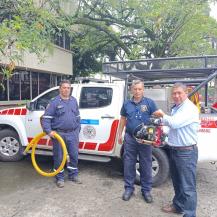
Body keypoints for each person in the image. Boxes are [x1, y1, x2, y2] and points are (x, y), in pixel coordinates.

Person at [154, 83, 199, 217]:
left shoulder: (189, 108)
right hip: (175, 149)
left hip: (186, 152)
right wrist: (160, 128)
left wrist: (162, 114)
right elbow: (171, 126)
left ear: (186, 93)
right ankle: (178, 206)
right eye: (174, 93)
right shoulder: (177, 108)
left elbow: (175, 123)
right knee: (178, 182)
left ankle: (190, 214)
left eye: (179, 93)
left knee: (188, 187)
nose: (176, 96)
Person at [117, 80, 159, 203]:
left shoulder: (149, 103)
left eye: (140, 89)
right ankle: (129, 189)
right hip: (130, 138)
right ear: (131, 90)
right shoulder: (126, 104)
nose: (137, 91)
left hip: (145, 139)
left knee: (146, 164)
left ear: (143, 90)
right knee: (129, 163)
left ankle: (146, 190)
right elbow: (123, 119)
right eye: (135, 89)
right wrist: (120, 134)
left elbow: (157, 117)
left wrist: (155, 135)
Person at [41, 80, 81, 188]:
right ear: (60, 89)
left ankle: (73, 175)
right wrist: (49, 131)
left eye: (68, 88)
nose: (66, 89)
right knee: (59, 157)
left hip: (73, 133)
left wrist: (77, 130)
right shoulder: (54, 102)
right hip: (59, 134)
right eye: (64, 87)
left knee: (74, 155)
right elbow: (46, 119)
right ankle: (60, 178)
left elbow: (77, 117)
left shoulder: (73, 100)